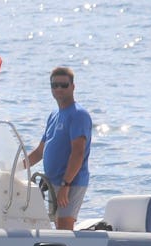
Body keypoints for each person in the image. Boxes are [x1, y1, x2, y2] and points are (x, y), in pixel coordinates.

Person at [22, 66, 93, 230]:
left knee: (64, 228)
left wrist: (65, 185)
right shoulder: (54, 115)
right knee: (57, 225)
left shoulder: (78, 114)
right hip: (53, 182)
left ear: (73, 87)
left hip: (70, 183)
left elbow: (78, 152)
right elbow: (40, 151)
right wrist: (16, 167)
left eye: (64, 85)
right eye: (55, 85)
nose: (59, 89)